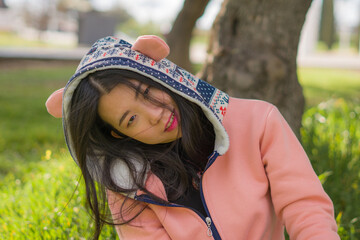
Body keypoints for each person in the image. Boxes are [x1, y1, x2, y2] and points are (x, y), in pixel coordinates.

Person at [46, 35, 340, 240]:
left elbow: (304, 206)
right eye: (131, 119)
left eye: (148, 92)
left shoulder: (258, 122)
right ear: (119, 134)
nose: (155, 114)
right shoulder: (128, 185)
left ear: (162, 75)